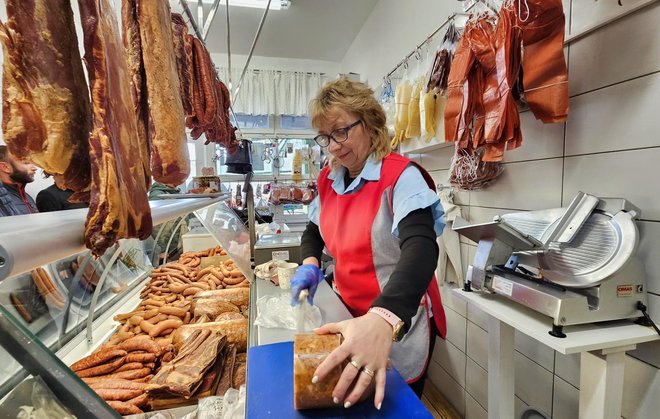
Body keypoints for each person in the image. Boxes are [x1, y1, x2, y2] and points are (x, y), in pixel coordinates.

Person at [290, 78, 447, 410]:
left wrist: (383, 317)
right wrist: (309, 264)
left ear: (371, 123)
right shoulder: (329, 180)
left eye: (341, 131)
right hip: (348, 317)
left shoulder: (400, 177)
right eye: (325, 137)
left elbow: (422, 246)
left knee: (390, 407)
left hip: (395, 321)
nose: (333, 146)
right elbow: (313, 232)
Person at [0, 145, 38, 216]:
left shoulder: (28, 197)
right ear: (5, 167)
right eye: (26, 163)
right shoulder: (2, 200)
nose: (34, 168)